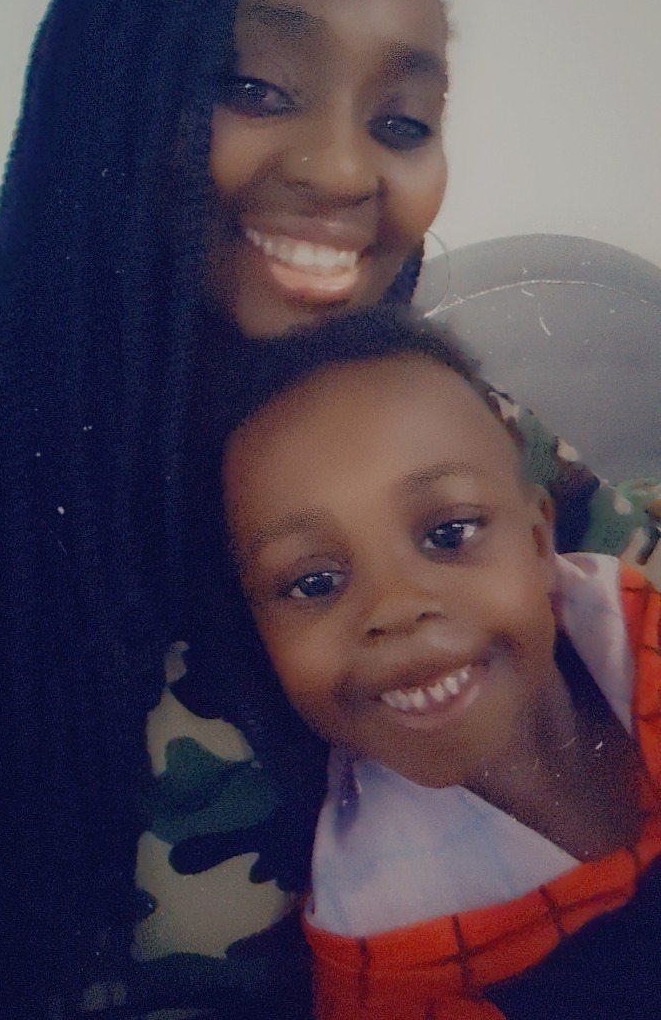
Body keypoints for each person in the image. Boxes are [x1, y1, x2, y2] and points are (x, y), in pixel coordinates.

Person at [0, 0, 656, 1018]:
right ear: (111, 85)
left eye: (401, 119)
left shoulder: (438, 417)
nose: (342, 171)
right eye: (257, 88)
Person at [219, 307, 661, 1018]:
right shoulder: (386, 957)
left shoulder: (641, 622)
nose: (395, 608)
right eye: (314, 582)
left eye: (449, 533)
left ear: (540, 543)